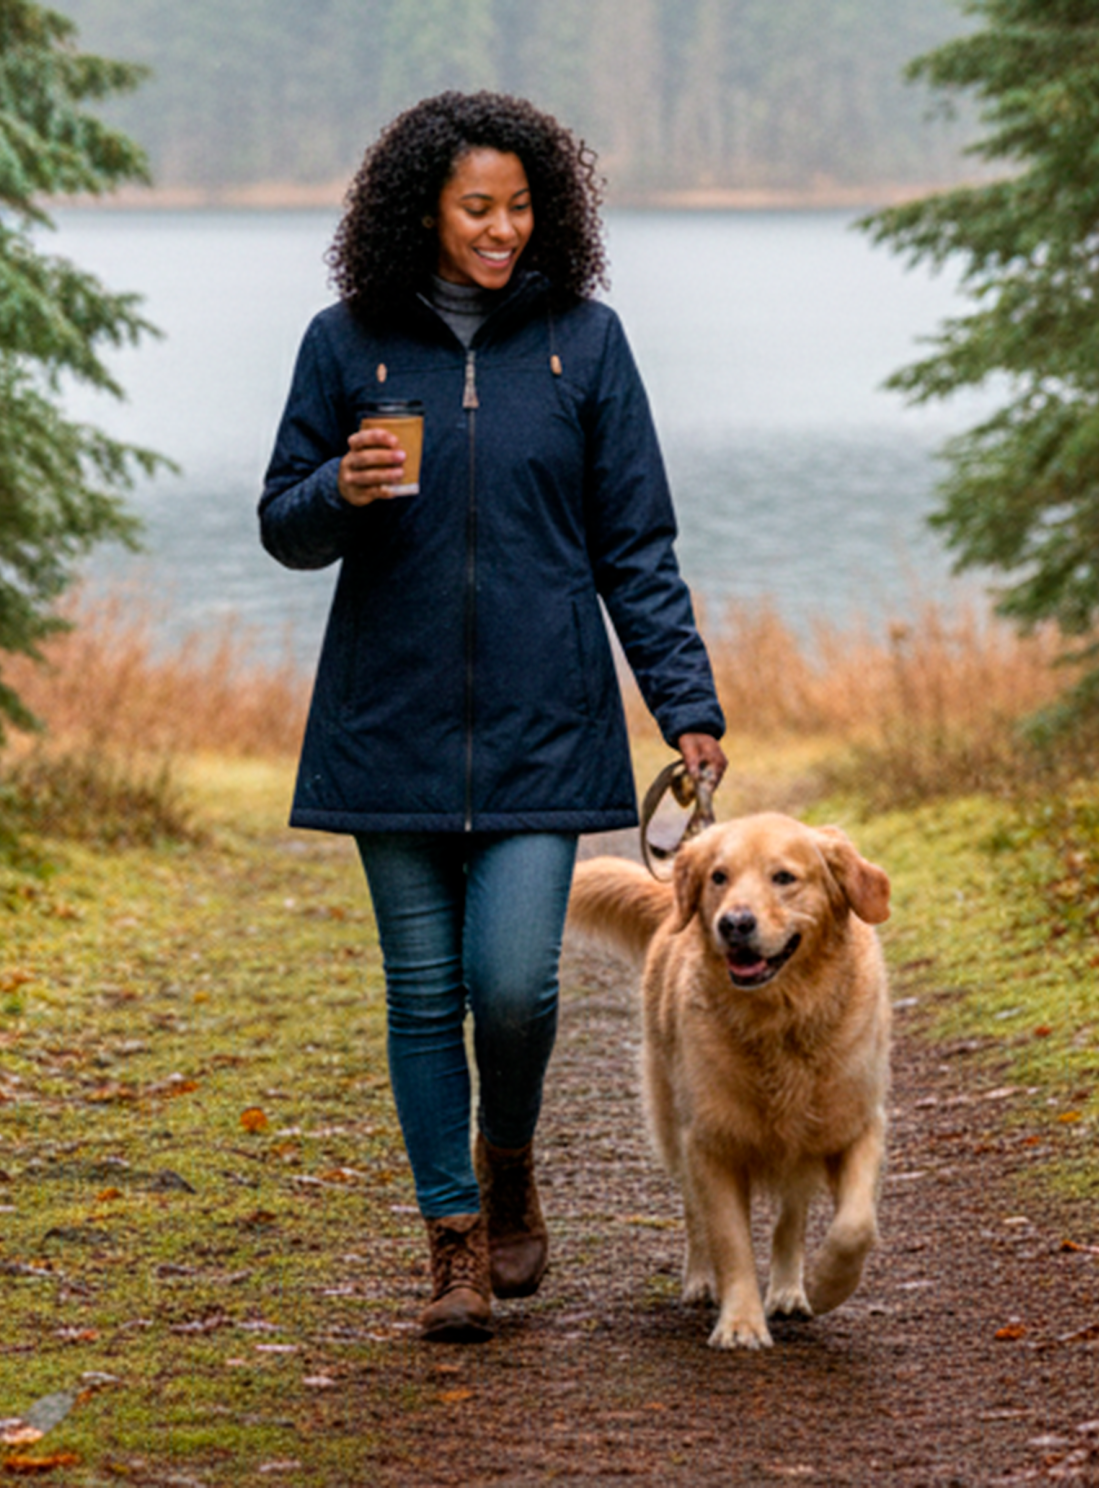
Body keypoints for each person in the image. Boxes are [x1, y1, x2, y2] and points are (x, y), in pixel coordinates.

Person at [259, 91, 727, 1344]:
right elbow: (282, 524)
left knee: (512, 987)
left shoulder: (587, 342)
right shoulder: (346, 341)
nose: (503, 230)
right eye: (479, 208)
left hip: (544, 728)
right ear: (424, 208)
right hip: (388, 725)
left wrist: (685, 705)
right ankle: (455, 1242)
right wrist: (339, 488)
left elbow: (638, 545)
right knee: (423, 997)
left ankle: (509, 1154)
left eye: (522, 207)